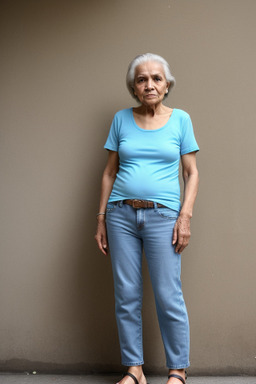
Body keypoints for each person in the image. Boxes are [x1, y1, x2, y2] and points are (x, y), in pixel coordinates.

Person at [95, 53, 199, 384]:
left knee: (168, 294)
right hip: (120, 214)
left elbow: (192, 173)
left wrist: (185, 215)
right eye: (142, 79)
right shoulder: (121, 119)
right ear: (134, 87)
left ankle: (177, 371)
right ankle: (134, 370)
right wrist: (100, 217)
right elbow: (109, 172)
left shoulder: (181, 119)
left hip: (163, 216)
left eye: (156, 78)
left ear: (167, 85)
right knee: (126, 294)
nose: (149, 84)